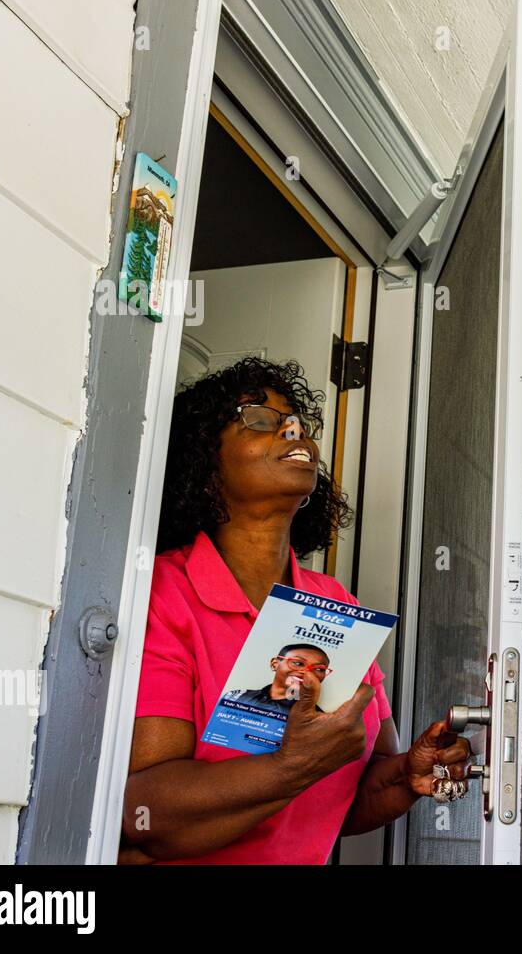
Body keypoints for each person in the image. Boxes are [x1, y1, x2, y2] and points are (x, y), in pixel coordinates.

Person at [120, 357, 471, 864]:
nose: (291, 428)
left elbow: (349, 800)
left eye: (297, 422)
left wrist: (408, 775)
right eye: (259, 419)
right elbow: (143, 815)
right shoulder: (164, 592)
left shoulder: (335, 604)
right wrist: (291, 767)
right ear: (204, 465)